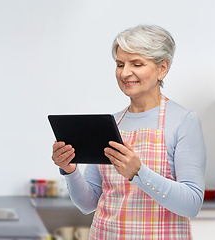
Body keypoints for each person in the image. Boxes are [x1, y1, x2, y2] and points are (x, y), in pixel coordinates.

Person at [52, 24, 206, 240]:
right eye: (120, 64)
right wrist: (69, 170)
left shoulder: (184, 121)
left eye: (137, 63)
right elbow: (88, 203)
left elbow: (192, 205)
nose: (125, 73)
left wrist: (139, 173)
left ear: (162, 68)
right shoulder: (111, 123)